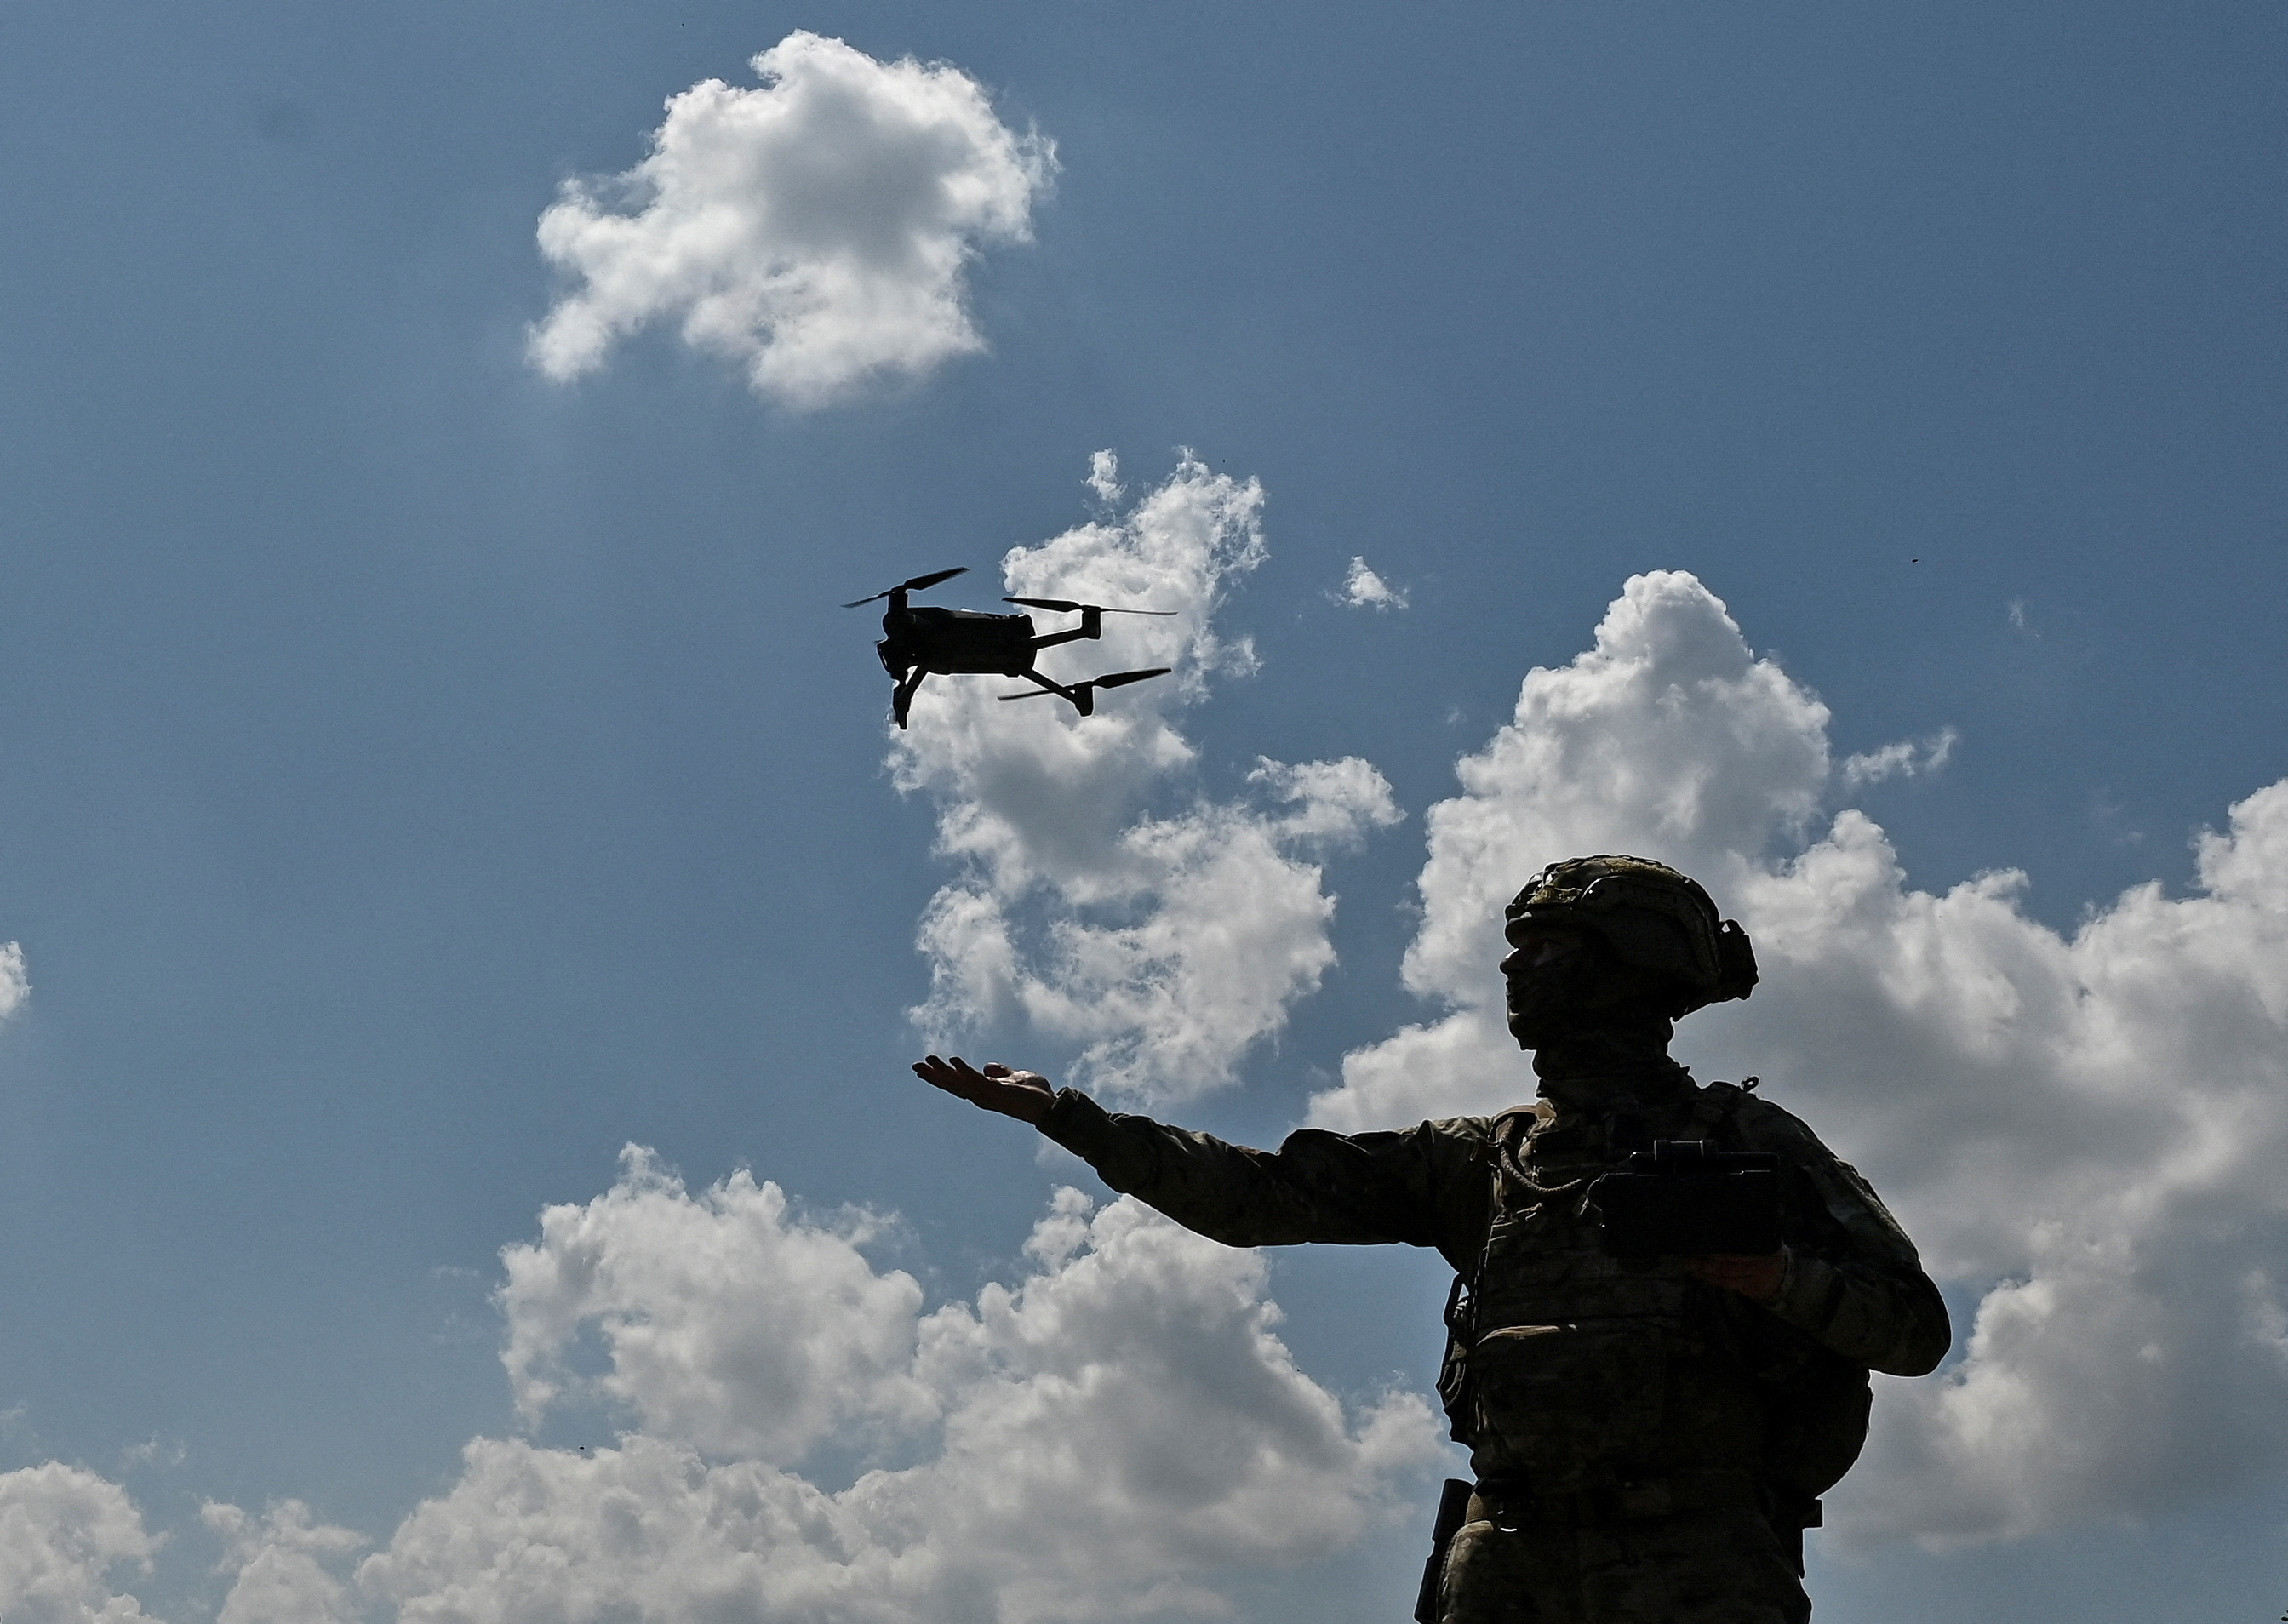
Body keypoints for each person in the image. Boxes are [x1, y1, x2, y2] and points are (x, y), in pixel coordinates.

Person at [915, 855, 1950, 1623]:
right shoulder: (1478, 1162)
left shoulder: (1751, 1143)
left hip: (1696, 1565)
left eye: (1546, 949)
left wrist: (1776, 1280)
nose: (1514, 969)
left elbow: (1915, 1329)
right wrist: (1071, 1119)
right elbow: (1255, 1197)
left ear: (1626, 967)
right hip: (1509, 1559)